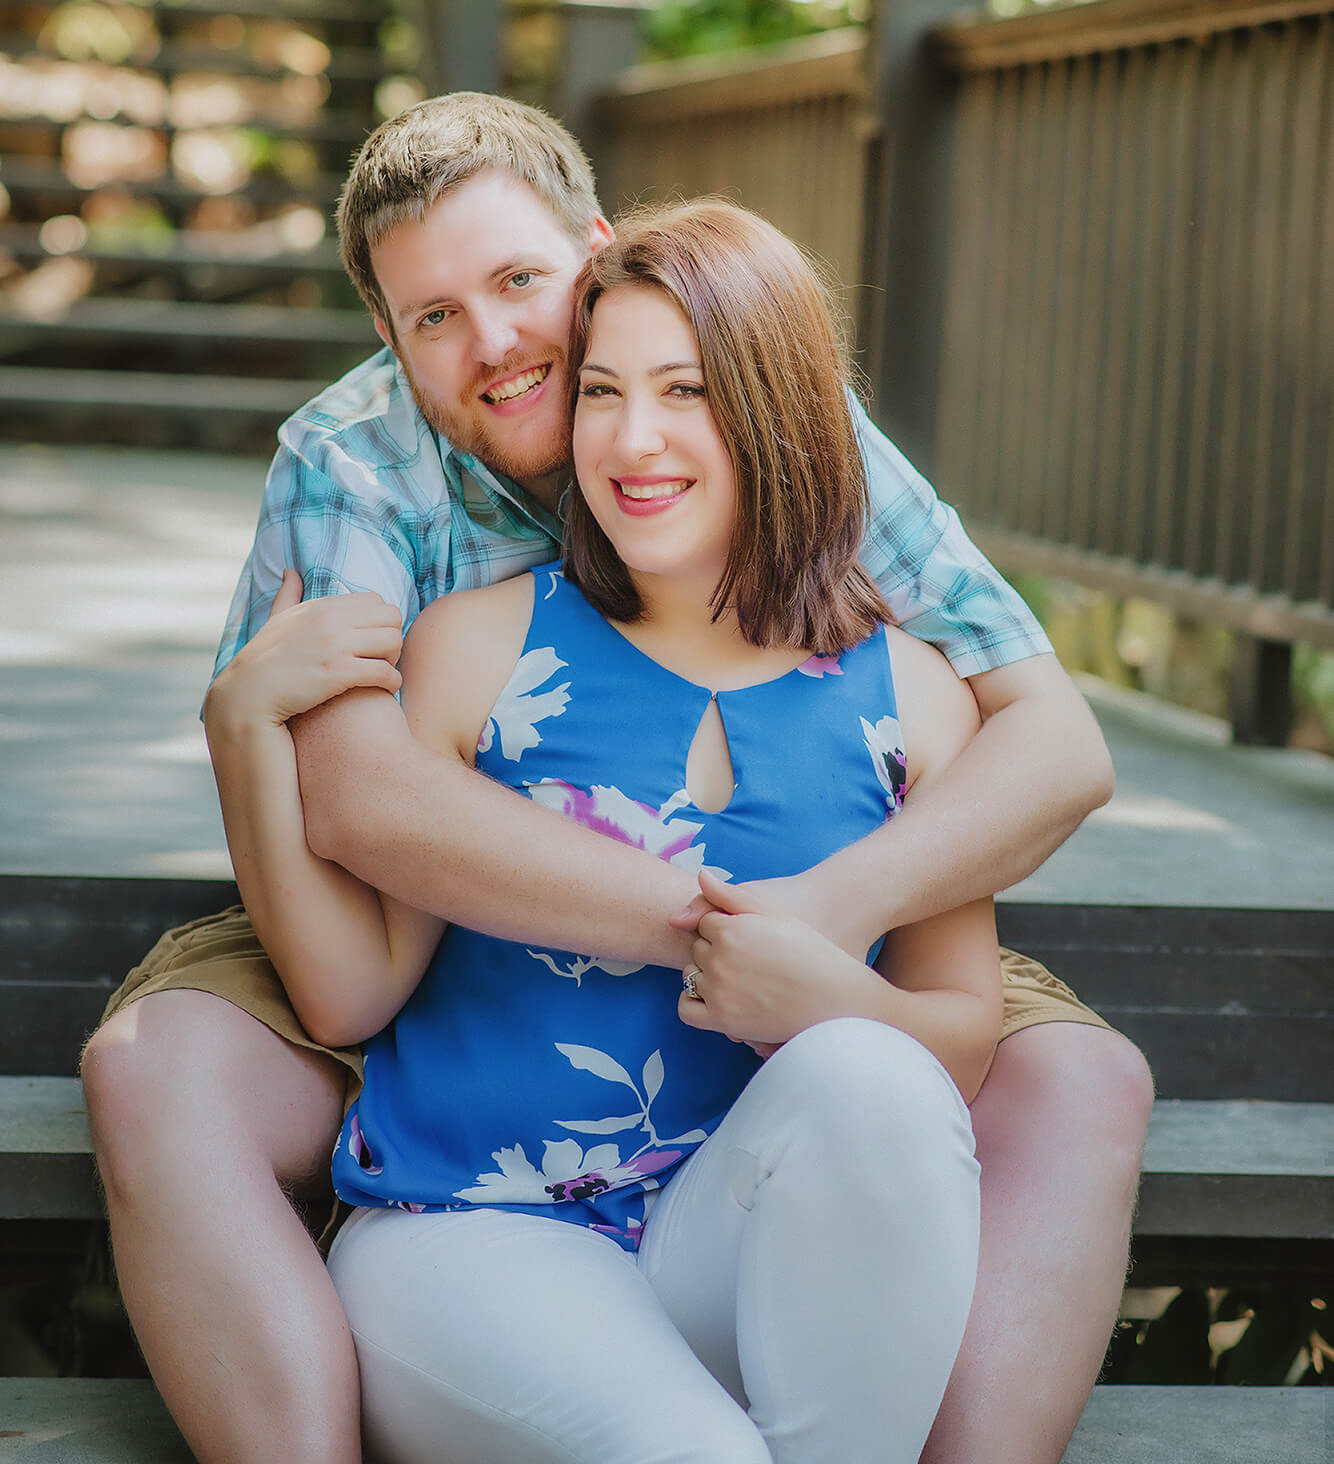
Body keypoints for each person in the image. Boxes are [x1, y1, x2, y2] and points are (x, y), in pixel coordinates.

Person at [80, 94, 1152, 1464]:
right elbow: (367, 816)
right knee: (159, 1068)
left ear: (595, 250)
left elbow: (1057, 748)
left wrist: (823, 923)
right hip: (456, 979)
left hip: (803, 892)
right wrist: (727, 933)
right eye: (433, 317)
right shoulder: (357, 471)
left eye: (523, 282)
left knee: (1043, 1081)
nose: (499, 344)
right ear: (388, 337)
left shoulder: (762, 396)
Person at [209, 198, 1003, 1463]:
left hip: (723, 1242)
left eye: (686, 390)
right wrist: (242, 729)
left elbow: (955, 1036)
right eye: (601, 391)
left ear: (779, 408)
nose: (633, 440)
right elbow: (349, 987)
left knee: (873, 1074)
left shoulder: (910, 693)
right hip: (468, 1233)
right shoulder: (473, 648)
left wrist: (833, 998)